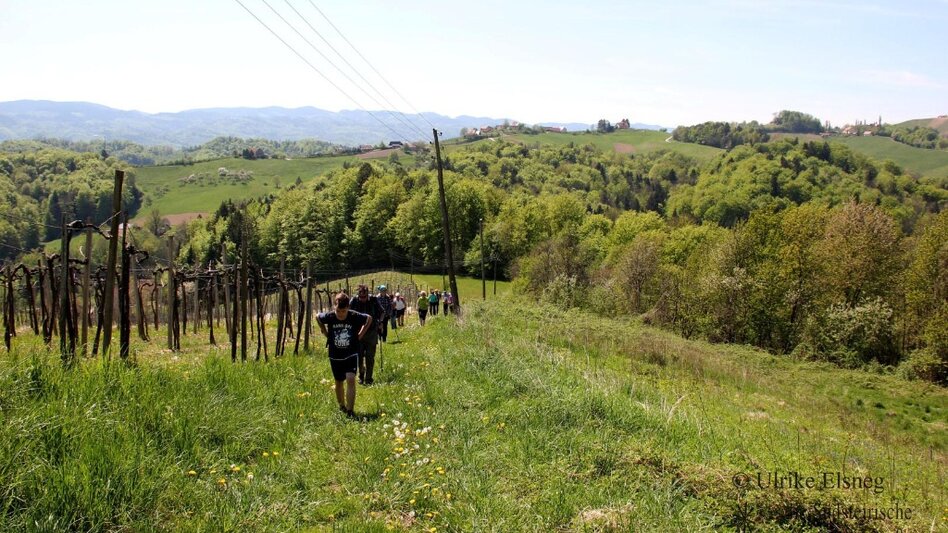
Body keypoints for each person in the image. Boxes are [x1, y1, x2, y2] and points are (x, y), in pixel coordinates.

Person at [317, 292, 372, 417]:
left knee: (351, 379)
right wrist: (324, 331)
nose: (341, 314)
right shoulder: (330, 316)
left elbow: (368, 318)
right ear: (334, 307)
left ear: (348, 307)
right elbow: (318, 317)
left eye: (343, 311)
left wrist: (360, 335)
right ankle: (341, 405)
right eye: (338, 311)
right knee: (338, 382)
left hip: (351, 353)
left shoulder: (353, 316)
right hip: (335, 355)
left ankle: (350, 410)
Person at [349, 285, 383, 385]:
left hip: (371, 332)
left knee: (370, 357)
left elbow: (382, 312)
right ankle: (361, 375)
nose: (362, 299)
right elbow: (348, 313)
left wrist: (380, 322)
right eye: (361, 297)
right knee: (359, 357)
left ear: (367, 294)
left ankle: (368, 379)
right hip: (358, 333)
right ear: (358, 295)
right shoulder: (354, 301)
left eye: (364, 297)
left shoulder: (373, 300)